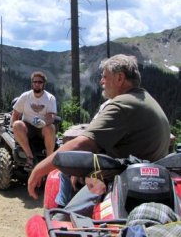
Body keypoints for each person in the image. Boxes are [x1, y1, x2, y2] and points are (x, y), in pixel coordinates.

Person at [28, 54, 171, 207]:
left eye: (105, 77)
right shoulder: (144, 98)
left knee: (63, 221)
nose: (101, 81)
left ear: (120, 78)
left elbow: (82, 144)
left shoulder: (123, 104)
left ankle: (62, 213)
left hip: (126, 183)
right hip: (148, 179)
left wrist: (39, 169)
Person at [11, 71, 57, 166]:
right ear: (32, 83)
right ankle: (29, 156)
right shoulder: (25, 96)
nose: (37, 84)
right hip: (28, 127)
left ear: (44, 84)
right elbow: (15, 113)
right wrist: (14, 130)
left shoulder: (50, 98)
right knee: (17, 125)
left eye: (39, 82)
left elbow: (51, 116)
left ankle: (49, 160)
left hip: (42, 129)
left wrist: (44, 122)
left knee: (51, 128)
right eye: (34, 82)